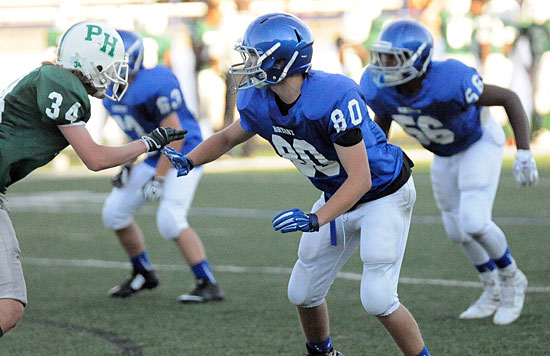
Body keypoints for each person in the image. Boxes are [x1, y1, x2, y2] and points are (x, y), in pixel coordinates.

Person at [162, 12, 431, 356]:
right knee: (302, 292)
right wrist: (192, 159)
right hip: (338, 193)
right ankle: (322, 353)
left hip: (383, 193)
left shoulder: (332, 97)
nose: (246, 64)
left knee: (378, 297)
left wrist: (318, 218)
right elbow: (229, 137)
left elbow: (361, 179)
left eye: (254, 56)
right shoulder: (259, 99)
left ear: (282, 59)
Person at [0, 20, 186, 337]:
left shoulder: (50, 78)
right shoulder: (58, 82)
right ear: (88, 62)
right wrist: (149, 143)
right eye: (110, 66)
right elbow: (95, 158)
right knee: (8, 307)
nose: (115, 74)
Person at [360, 18, 539, 326]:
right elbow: (383, 122)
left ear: (417, 60)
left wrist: (523, 151)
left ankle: (513, 280)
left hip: (478, 142)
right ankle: (491, 289)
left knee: (474, 221)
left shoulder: (450, 79)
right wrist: (374, 161)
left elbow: (508, 98)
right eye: (382, 57)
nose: (384, 65)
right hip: (444, 154)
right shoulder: (382, 89)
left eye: (393, 58)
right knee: (456, 230)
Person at [101, 30, 223, 303]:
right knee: (114, 212)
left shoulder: (154, 81)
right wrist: (126, 166)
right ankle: (142, 272)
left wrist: (159, 178)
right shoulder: (109, 90)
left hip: (187, 153)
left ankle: (207, 282)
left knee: (170, 219)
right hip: (155, 153)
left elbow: (174, 133)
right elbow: (135, 133)